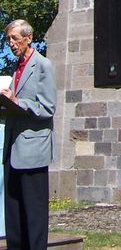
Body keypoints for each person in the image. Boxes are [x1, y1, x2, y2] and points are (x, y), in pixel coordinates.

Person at [0, 19, 56, 250]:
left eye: (15, 38)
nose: (11, 44)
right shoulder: (17, 68)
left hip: (33, 151)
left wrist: (17, 101)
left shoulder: (43, 66)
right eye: (8, 40)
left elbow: (48, 107)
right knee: (14, 216)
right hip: (12, 149)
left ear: (29, 38)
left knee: (33, 216)